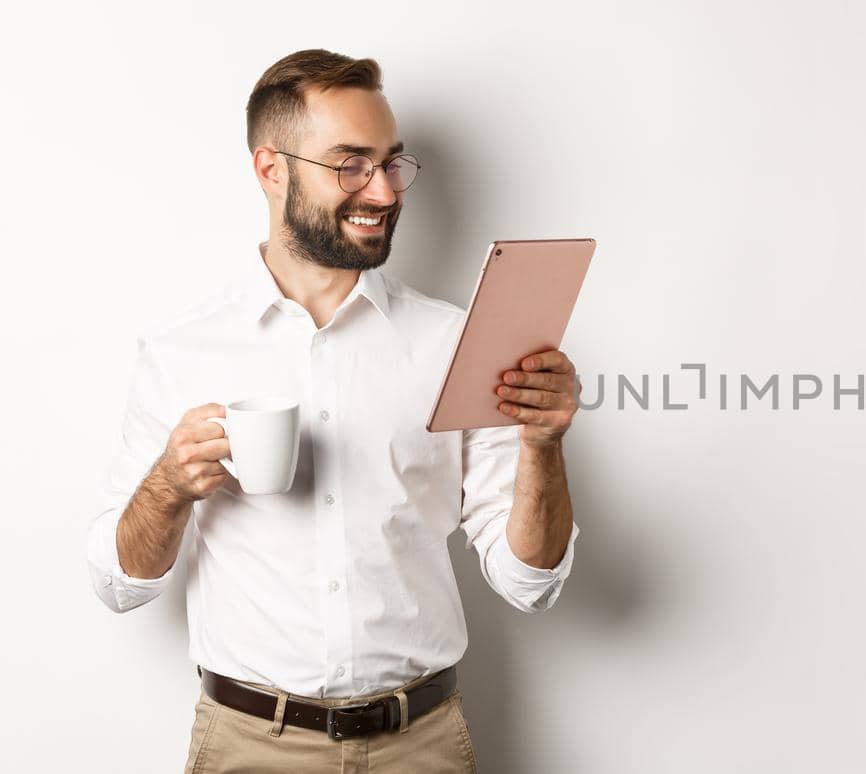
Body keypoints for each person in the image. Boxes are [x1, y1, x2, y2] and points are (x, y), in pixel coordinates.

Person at [82, 48, 581, 773]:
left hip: (424, 746)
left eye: (392, 163)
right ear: (270, 169)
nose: (382, 190)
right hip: (249, 748)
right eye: (349, 164)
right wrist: (167, 486)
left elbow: (529, 582)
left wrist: (543, 445)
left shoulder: (454, 343)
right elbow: (118, 585)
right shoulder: (182, 351)